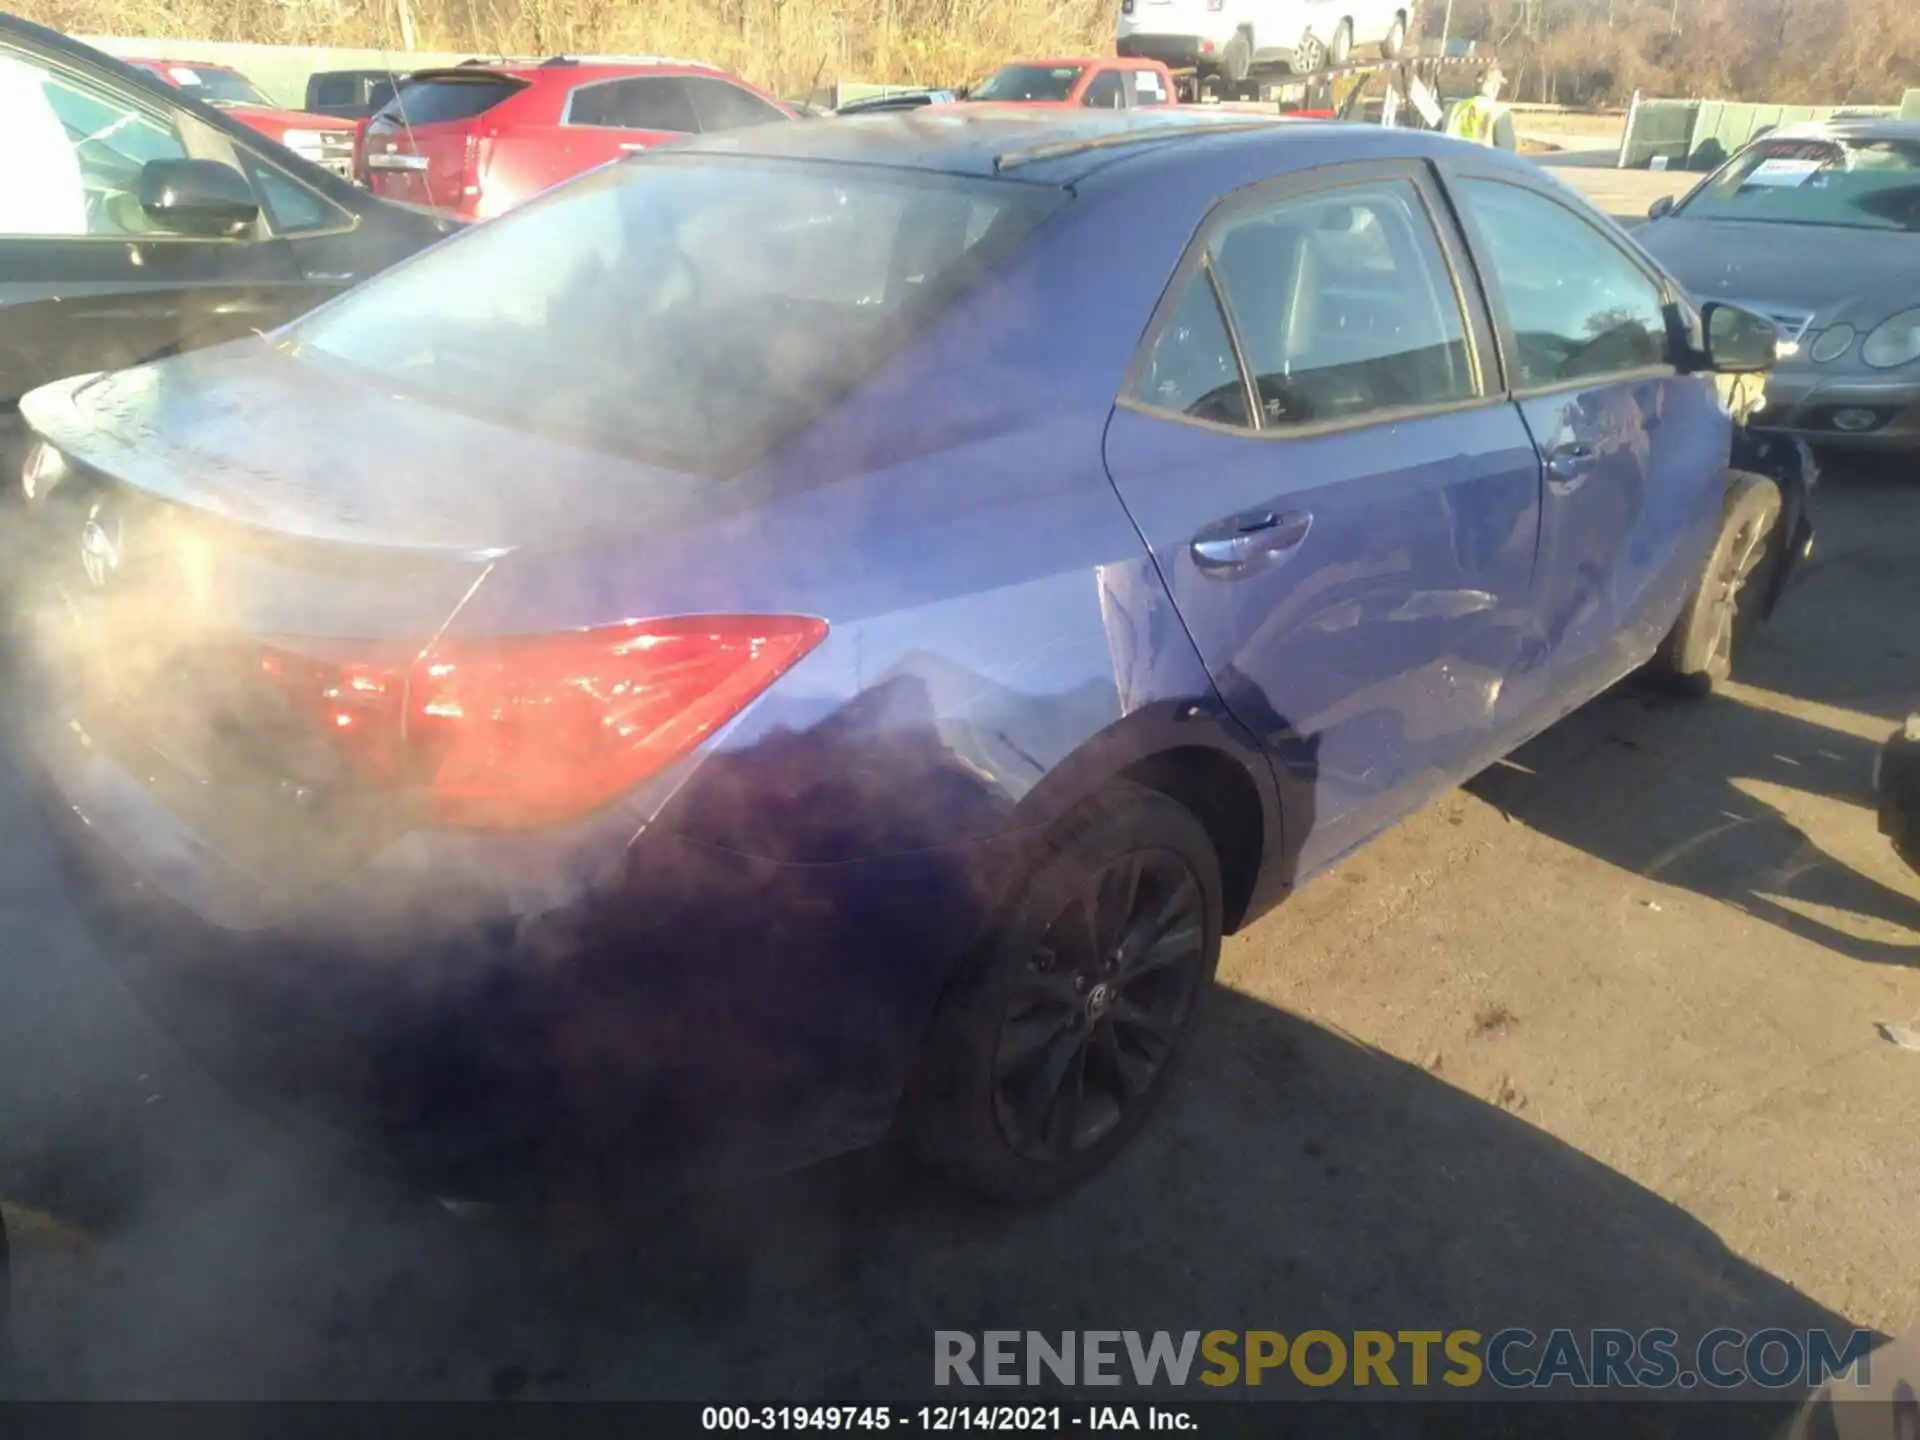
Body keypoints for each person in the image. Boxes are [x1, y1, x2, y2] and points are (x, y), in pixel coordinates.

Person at [1444, 65, 1517, 151]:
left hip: (1453, 161)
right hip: (1484, 162)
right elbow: (1508, 150)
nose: (1496, 87)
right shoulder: (1499, 112)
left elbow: (1441, 139)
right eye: (1495, 83)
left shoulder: (1454, 108)